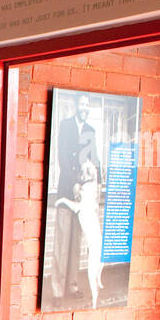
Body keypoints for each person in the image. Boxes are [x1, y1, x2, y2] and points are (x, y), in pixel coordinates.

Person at [51, 96, 95, 300]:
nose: (84, 108)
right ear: (76, 105)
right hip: (67, 191)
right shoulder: (66, 125)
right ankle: (58, 291)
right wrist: (74, 183)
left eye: (87, 105)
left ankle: (72, 286)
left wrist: (95, 186)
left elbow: (93, 160)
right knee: (62, 243)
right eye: (82, 104)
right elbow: (62, 157)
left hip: (82, 196)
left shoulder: (90, 132)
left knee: (76, 242)